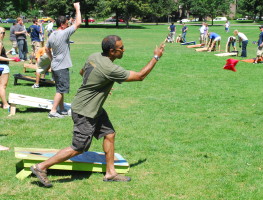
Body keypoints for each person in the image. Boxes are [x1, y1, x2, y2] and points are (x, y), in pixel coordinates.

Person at [30, 35, 165, 187]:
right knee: (78, 147)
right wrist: (156, 57)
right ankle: (41, 167)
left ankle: (110, 173)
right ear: (112, 51)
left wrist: (101, 85)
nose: (123, 50)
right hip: (85, 111)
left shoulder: (93, 56)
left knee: (109, 134)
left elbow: (83, 72)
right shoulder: (110, 68)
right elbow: (140, 76)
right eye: (121, 48)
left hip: (94, 108)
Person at [46, 2, 82, 118]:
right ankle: (53, 111)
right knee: (60, 90)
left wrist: (52, 59)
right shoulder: (64, 33)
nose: (68, 25)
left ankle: (62, 109)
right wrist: (77, 9)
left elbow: (46, 49)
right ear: (62, 24)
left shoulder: (52, 34)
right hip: (61, 67)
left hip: (56, 66)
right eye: (66, 24)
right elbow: (78, 23)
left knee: (60, 88)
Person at [0, 27, 19, 109]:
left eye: (4, 32)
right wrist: (11, 59)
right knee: (2, 86)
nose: (3, 34)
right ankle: (5, 104)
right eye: (2, 33)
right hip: (2, 66)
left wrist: (7, 52)